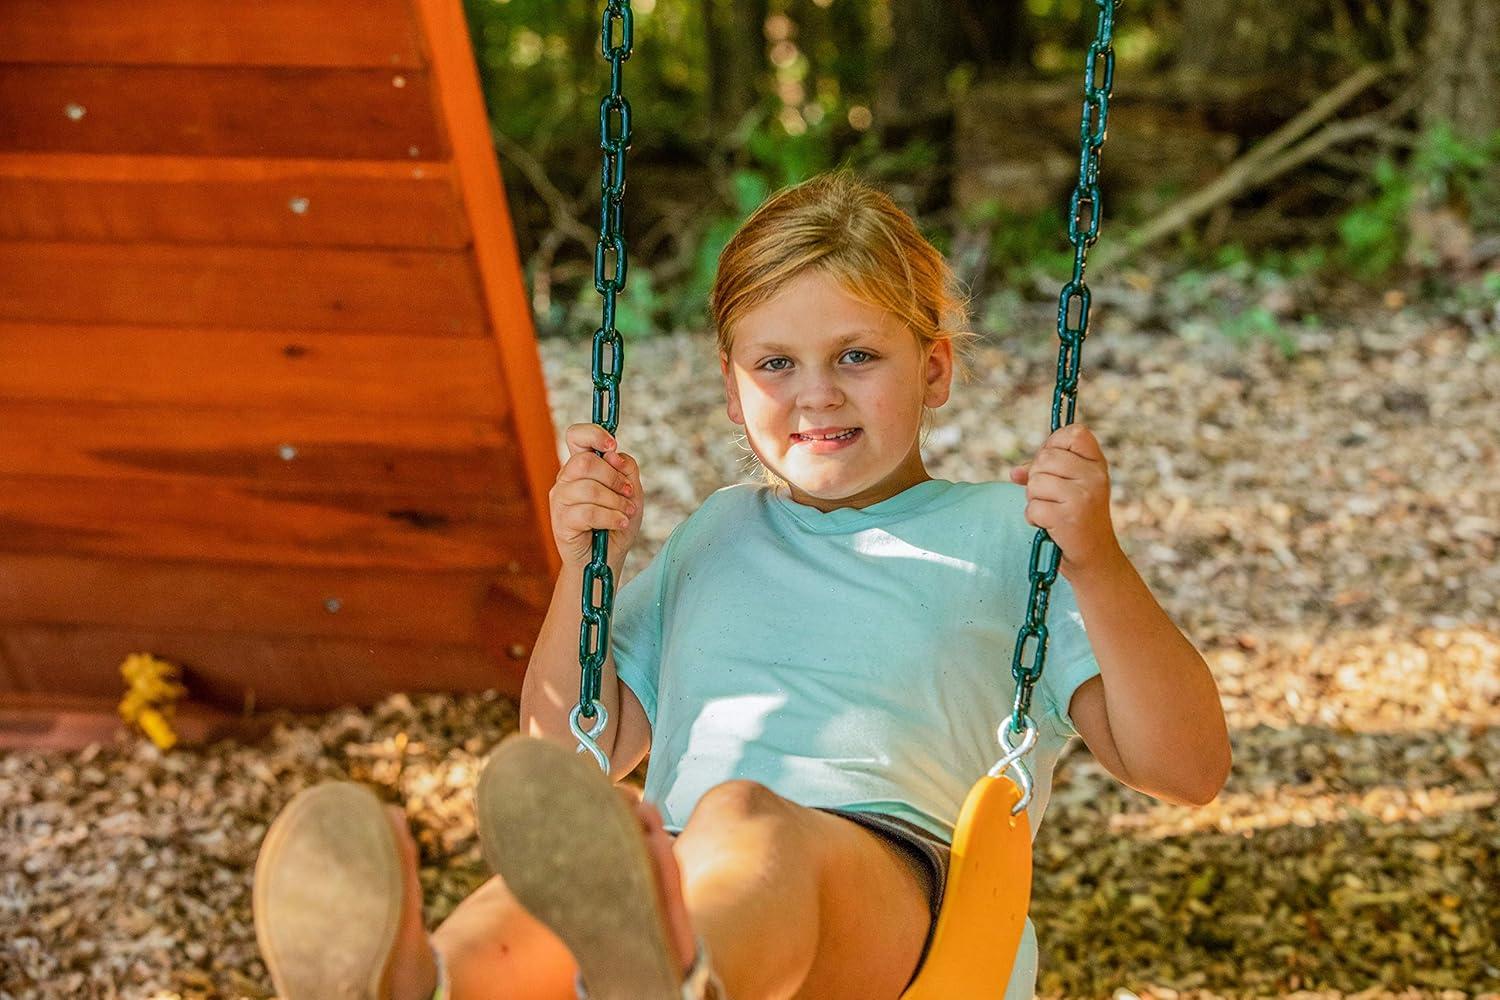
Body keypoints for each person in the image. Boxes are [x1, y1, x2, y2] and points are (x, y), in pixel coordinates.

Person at [252, 170, 1232, 1000]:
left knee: (740, 818)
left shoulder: (1011, 538)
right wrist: (585, 573)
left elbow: (1188, 768)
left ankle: (680, 967)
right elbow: (564, 754)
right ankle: (422, 980)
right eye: (777, 363)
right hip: (671, 865)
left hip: (900, 892)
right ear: (731, 387)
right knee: (576, 874)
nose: (817, 392)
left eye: (858, 355)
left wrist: (1097, 563)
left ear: (934, 369)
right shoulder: (713, 533)